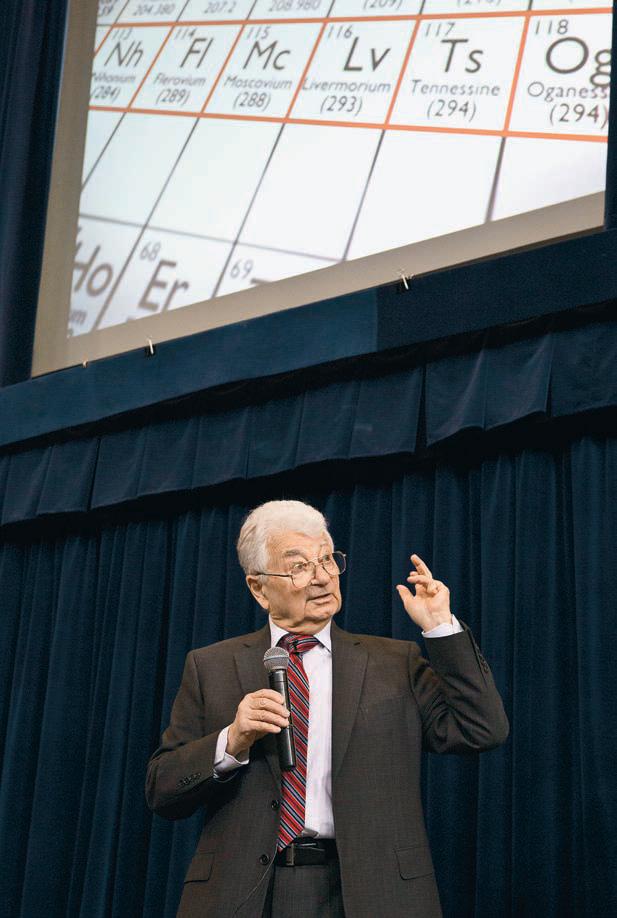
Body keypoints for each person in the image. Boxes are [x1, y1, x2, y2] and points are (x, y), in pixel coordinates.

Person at [146, 500, 509, 918]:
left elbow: (482, 729)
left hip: (372, 891)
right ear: (258, 588)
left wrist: (440, 627)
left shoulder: (395, 662)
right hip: (244, 893)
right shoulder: (211, 666)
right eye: (299, 566)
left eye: (327, 560)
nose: (322, 577)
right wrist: (232, 741)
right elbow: (162, 790)